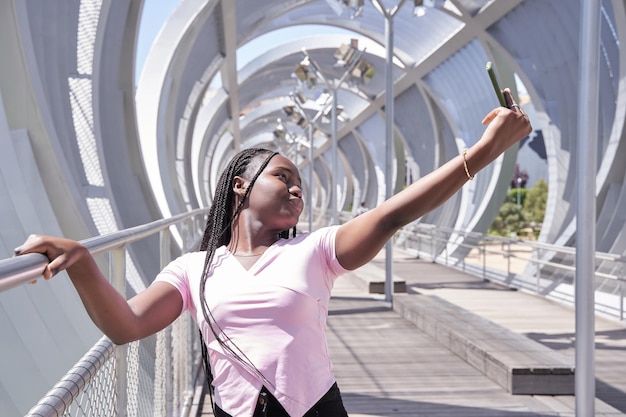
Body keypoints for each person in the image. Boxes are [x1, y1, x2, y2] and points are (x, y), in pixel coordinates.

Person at [14, 89, 531, 417]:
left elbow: (393, 213)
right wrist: (82, 262)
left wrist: (486, 150)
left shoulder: (318, 250)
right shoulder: (194, 269)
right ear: (241, 185)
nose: (296, 190)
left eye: (301, 184)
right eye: (283, 176)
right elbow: (125, 326)